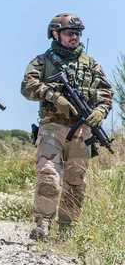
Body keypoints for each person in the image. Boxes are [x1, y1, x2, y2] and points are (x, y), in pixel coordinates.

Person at [21, 13, 113, 240]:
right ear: (55, 34)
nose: (75, 37)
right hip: (52, 126)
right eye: (70, 33)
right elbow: (27, 86)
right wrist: (53, 96)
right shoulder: (42, 61)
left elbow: (106, 93)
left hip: (82, 131)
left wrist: (100, 112)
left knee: (76, 181)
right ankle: (42, 224)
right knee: (48, 174)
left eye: (78, 34)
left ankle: (67, 231)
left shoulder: (90, 64)